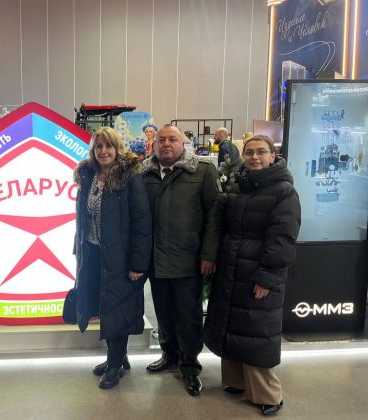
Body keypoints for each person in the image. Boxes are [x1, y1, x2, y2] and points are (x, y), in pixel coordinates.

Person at [204, 135, 300, 416]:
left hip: (257, 269)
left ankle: (268, 394)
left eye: (261, 152)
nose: (254, 157)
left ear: (272, 156)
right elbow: (220, 223)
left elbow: (282, 237)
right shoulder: (238, 185)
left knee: (256, 332)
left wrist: (267, 276)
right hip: (231, 267)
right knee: (233, 325)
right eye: (249, 152)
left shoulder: (284, 191)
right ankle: (236, 381)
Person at [142, 124, 221, 396]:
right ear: (154, 145)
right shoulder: (145, 173)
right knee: (163, 311)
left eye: (172, 139)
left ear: (183, 143)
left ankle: (190, 365)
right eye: (161, 140)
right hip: (156, 260)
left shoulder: (202, 171)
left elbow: (215, 216)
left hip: (189, 259)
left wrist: (209, 254)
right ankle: (169, 355)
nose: (166, 144)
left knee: (188, 316)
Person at [73, 127, 151, 390]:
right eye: (98, 146)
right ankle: (118, 357)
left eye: (108, 146)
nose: (103, 151)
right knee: (105, 306)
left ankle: (115, 365)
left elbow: (142, 222)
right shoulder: (88, 176)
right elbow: (83, 218)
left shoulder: (130, 177)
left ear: (118, 149)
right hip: (94, 254)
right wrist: (79, 249)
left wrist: (137, 264)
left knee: (118, 309)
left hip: (121, 257)